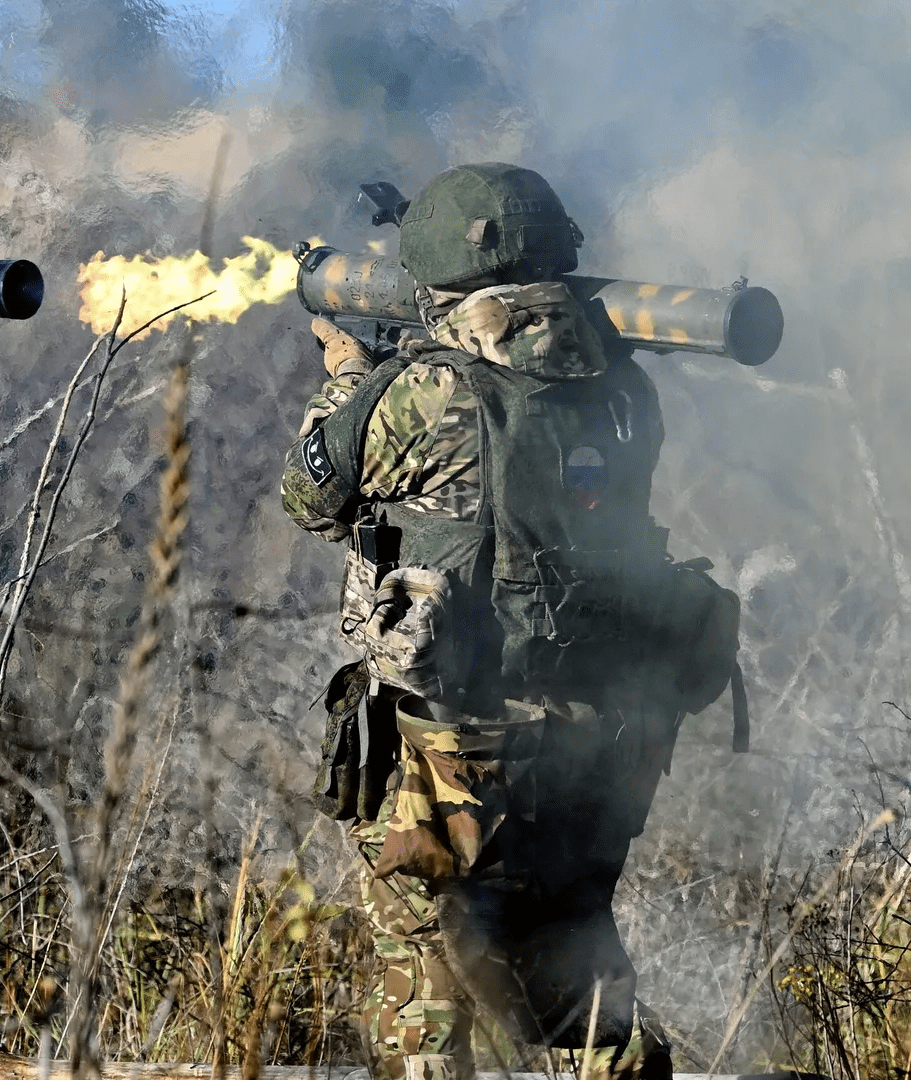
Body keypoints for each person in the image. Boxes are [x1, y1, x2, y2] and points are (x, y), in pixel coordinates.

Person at [279, 163, 742, 1080]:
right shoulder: (624, 388)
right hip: (604, 734)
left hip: (455, 744)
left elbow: (311, 491)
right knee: (574, 957)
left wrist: (347, 376)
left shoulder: (428, 393)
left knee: (425, 968)